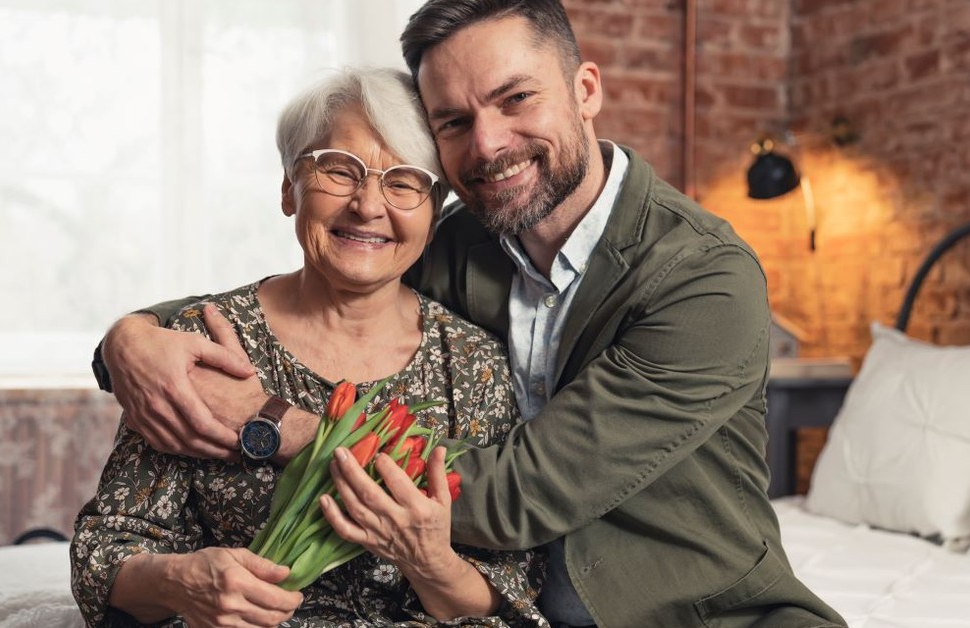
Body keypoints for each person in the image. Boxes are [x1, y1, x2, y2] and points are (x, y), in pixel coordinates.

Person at [94, 1, 847, 626]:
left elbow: (518, 491)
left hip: (697, 612)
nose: (488, 144)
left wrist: (275, 424)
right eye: (453, 121)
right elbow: (330, 272)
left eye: (517, 99)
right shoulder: (462, 240)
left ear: (586, 90)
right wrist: (134, 334)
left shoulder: (704, 278)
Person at [71, 66, 545, 628]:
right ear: (287, 190)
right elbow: (104, 555)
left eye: (403, 181)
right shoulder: (205, 342)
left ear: (432, 209)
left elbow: (510, 590)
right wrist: (182, 582)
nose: (368, 206)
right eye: (339, 171)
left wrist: (432, 562)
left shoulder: (474, 364)